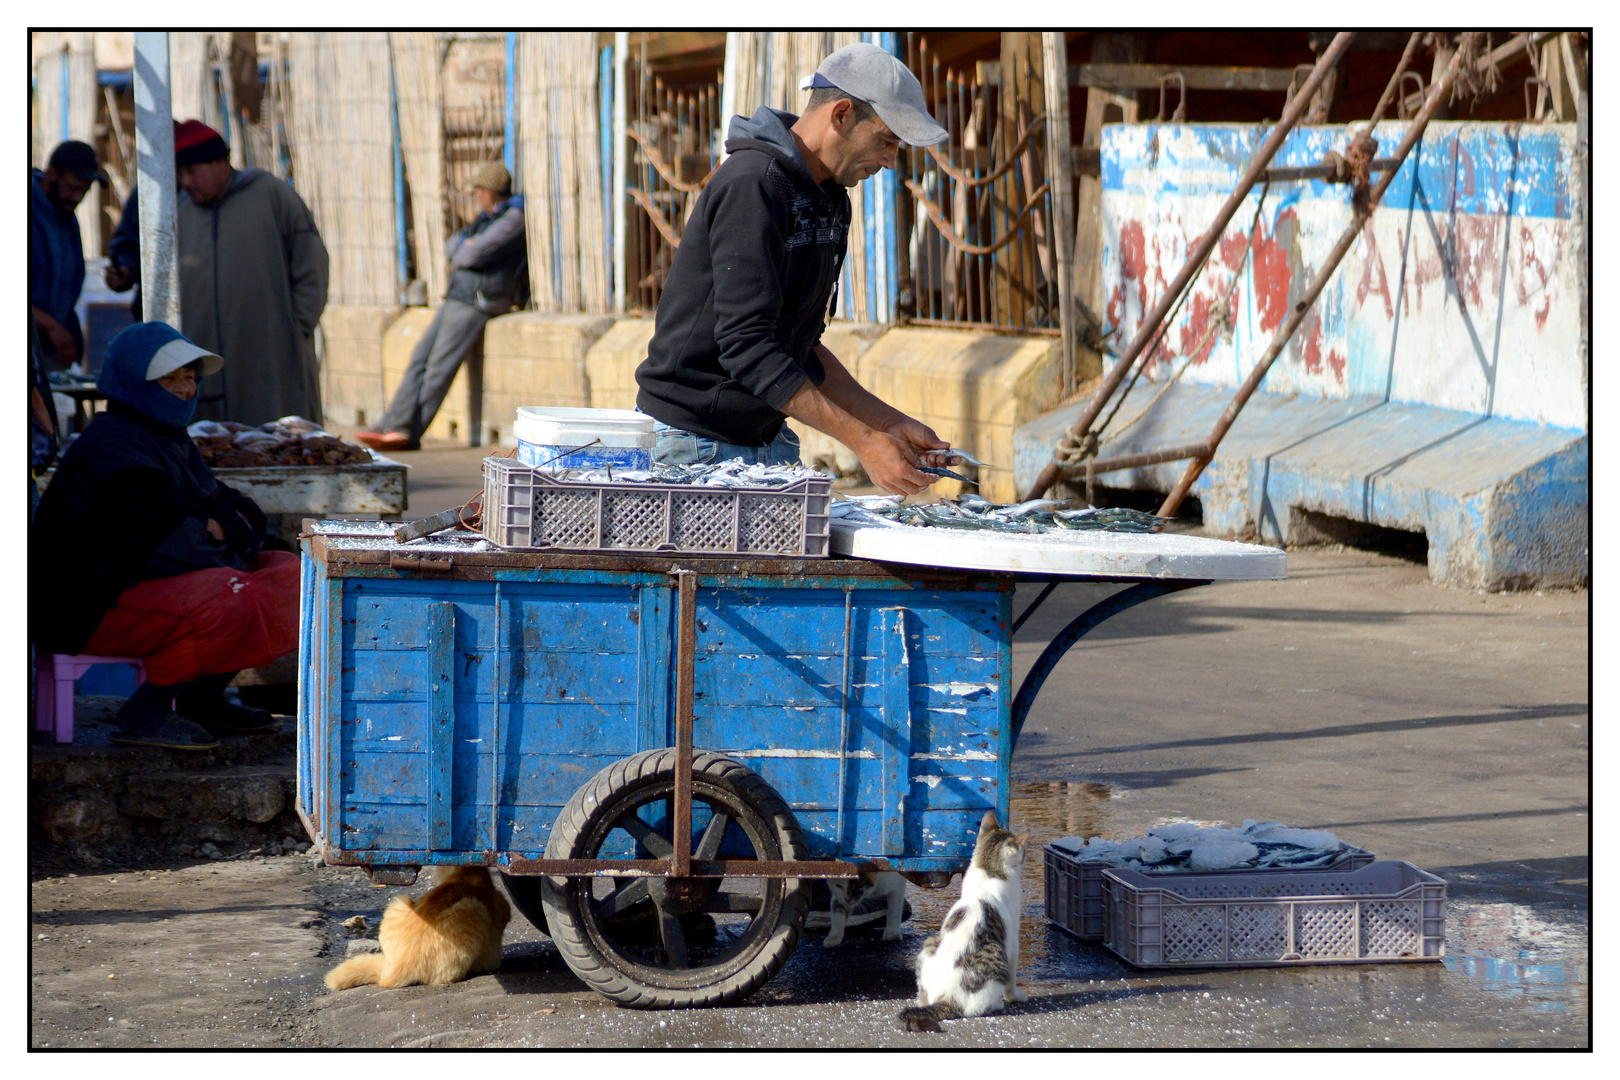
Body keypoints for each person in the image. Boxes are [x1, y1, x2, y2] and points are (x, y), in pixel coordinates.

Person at [635, 43, 956, 497]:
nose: (889, 161)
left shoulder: (829, 197)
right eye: (885, 140)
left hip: (767, 441)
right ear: (841, 114)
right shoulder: (753, 183)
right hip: (693, 444)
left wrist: (889, 424)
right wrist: (863, 442)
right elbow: (747, 347)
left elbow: (798, 344)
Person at [30, 321, 299, 750]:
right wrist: (221, 529)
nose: (184, 387)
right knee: (231, 590)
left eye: (190, 376)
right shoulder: (113, 446)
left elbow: (243, 511)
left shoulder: (169, 439)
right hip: (86, 608)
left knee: (287, 570)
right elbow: (180, 546)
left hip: (147, 590)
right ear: (133, 380)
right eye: (169, 377)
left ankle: (200, 699)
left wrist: (221, 528)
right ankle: (146, 712)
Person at [104, 120, 330, 426]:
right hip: (201, 357)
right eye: (180, 174)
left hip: (269, 355)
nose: (186, 182)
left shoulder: (270, 195)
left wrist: (294, 327)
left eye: (192, 171)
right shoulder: (178, 212)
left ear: (220, 162)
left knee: (275, 441)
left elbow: (311, 263)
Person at [354, 162, 527, 451]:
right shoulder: (488, 217)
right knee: (419, 359)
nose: (475, 198)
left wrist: (467, 246)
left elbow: (466, 256)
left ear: (488, 192)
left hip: (478, 300)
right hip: (459, 296)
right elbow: (454, 247)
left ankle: (409, 431)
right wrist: (467, 245)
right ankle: (392, 423)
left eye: (477, 192)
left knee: (439, 367)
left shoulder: (512, 219)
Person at [31, 140, 108, 369]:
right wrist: (50, 326)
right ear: (51, 174)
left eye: (83, 192)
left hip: (49, 354)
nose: (77, 198)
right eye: (72, 188)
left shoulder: (67, 217)